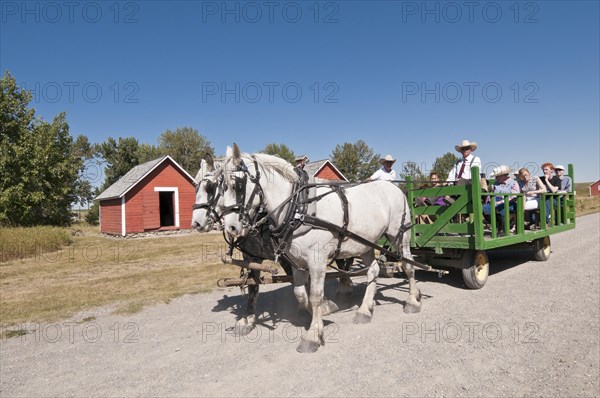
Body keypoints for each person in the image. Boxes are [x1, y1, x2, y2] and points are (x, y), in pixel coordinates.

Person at [483, 165, 520, 232]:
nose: (496, 178)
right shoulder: (496, 183)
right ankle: (500, 225)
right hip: (495, 202)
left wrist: (500, 202)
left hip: (509, 203)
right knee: (483, 209)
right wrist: (489, 200)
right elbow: (492, 193)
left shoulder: (514, 183)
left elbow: (514, 197)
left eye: (497, 176)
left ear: (504, 175)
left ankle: (502, 227)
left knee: (499, 209)